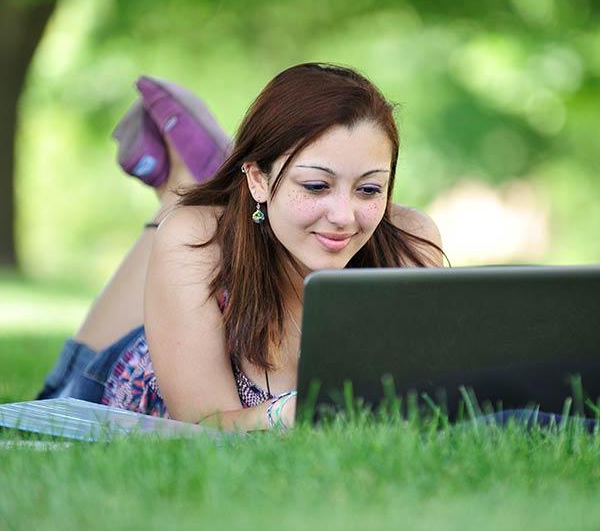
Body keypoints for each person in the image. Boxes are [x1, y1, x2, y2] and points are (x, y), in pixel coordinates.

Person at [36, 63, 444, 431]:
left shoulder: (409, 244)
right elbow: (204, 422)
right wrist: (286, 413)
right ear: (259, 180)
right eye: (316, 186)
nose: (344, 215)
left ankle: (194, 181)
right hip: (120, 379)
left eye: (369, 188)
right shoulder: (195, 240)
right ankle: (184, 182)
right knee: (57, 388)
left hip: (197, 297)